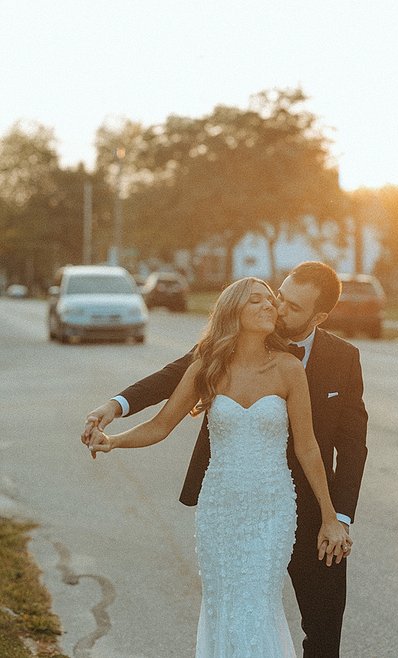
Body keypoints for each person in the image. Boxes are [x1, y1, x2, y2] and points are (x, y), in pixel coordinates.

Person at [82, 261, 367, 657]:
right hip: (226, 505)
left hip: (297, 506)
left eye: (290, 307)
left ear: (318, 316)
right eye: (276, 297)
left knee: (322, 630)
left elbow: (351, 447)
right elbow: (168, 390)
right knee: (234, 609)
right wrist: (115, 408)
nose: (278, 309)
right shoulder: (216, 357)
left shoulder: (340, 359)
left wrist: (336, 517)